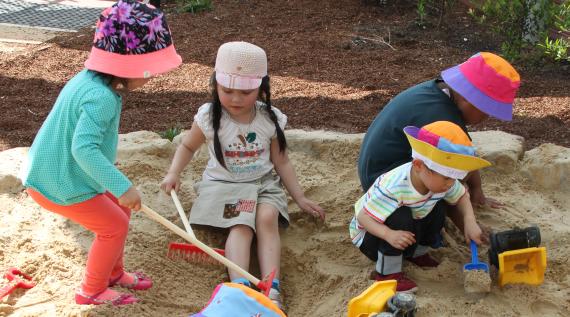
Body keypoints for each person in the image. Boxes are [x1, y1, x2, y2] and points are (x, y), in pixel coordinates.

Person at [21, 0, 182, 306]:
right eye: (149, 70)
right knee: (114, 226)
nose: (152, 77)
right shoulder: (102, 97)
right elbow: (83, 148)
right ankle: (91, 290)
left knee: (119, 213)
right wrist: (121, 185)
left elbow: (83, 139)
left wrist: (111, 175)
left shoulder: (92, 81)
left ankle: (113, 273)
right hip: (59, 182)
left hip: (62, 170)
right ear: (129, 64)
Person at [160, 41, 325, 309]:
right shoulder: (209, 117)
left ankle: (272, 288)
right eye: (227, 91)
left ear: (261, 88)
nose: (236, 99)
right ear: (215, 85)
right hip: (225, 185)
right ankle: (241, 289)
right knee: (241, 224)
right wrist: (173, 173)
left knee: (267, 217)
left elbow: (280, 160)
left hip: (262, 184)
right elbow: (188, 146)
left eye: (246, 92)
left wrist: (300, 197)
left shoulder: (269, 119)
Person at [358, 52, 520, 210]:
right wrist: (468, 224)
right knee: (451, 173)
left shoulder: (438, 91)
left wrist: (477, 191)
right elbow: (461, 165)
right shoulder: (444, 117)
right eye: (486, 110)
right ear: (469, 98)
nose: (486, 117)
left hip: (376, 172)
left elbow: (467, 154)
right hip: (383, 186)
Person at [350, 121, 491, 292]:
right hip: (373, 237)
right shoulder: (394, 187)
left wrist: (469, 220)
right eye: (447, 178)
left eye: (454, 178)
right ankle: (387, 275)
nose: (450, 183)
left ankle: (417, 253)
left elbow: (462, 196)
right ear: (418, 166)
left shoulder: (441, 182)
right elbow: (363, 217)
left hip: (407, 230)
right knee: (400, 215)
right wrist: (388, 234)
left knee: (438, 209)